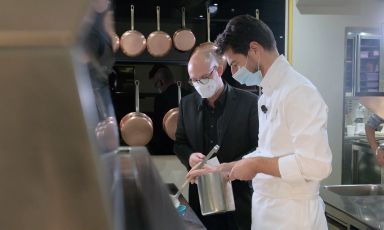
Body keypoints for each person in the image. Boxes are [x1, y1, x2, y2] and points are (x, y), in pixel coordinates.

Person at [187, 15, 332, 229]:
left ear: (254, 49)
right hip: (268, 209)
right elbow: (268, 151)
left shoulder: (298, 91)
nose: (234, 73)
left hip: (293, 215)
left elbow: (316, 165)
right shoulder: (268, 93)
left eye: (235, 64)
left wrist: (255, 165)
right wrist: (224, 169)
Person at [174, 47, 259, 230]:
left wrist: (230, 169)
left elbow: (259, 148)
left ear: (218, 70)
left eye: (203, 78)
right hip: (201, 196)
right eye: (194, 80)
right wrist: (189, 157)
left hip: (239, 196)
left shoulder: (250, 102)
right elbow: (179, 143)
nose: (198, 84)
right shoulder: (187, 104)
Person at [149, 64, 190, 155]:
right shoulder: (189, 94)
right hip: (188, 149)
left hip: (167, 148)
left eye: (156, 84)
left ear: (161, 82)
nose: (157, 87)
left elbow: (158, 128)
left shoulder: (161, 98)